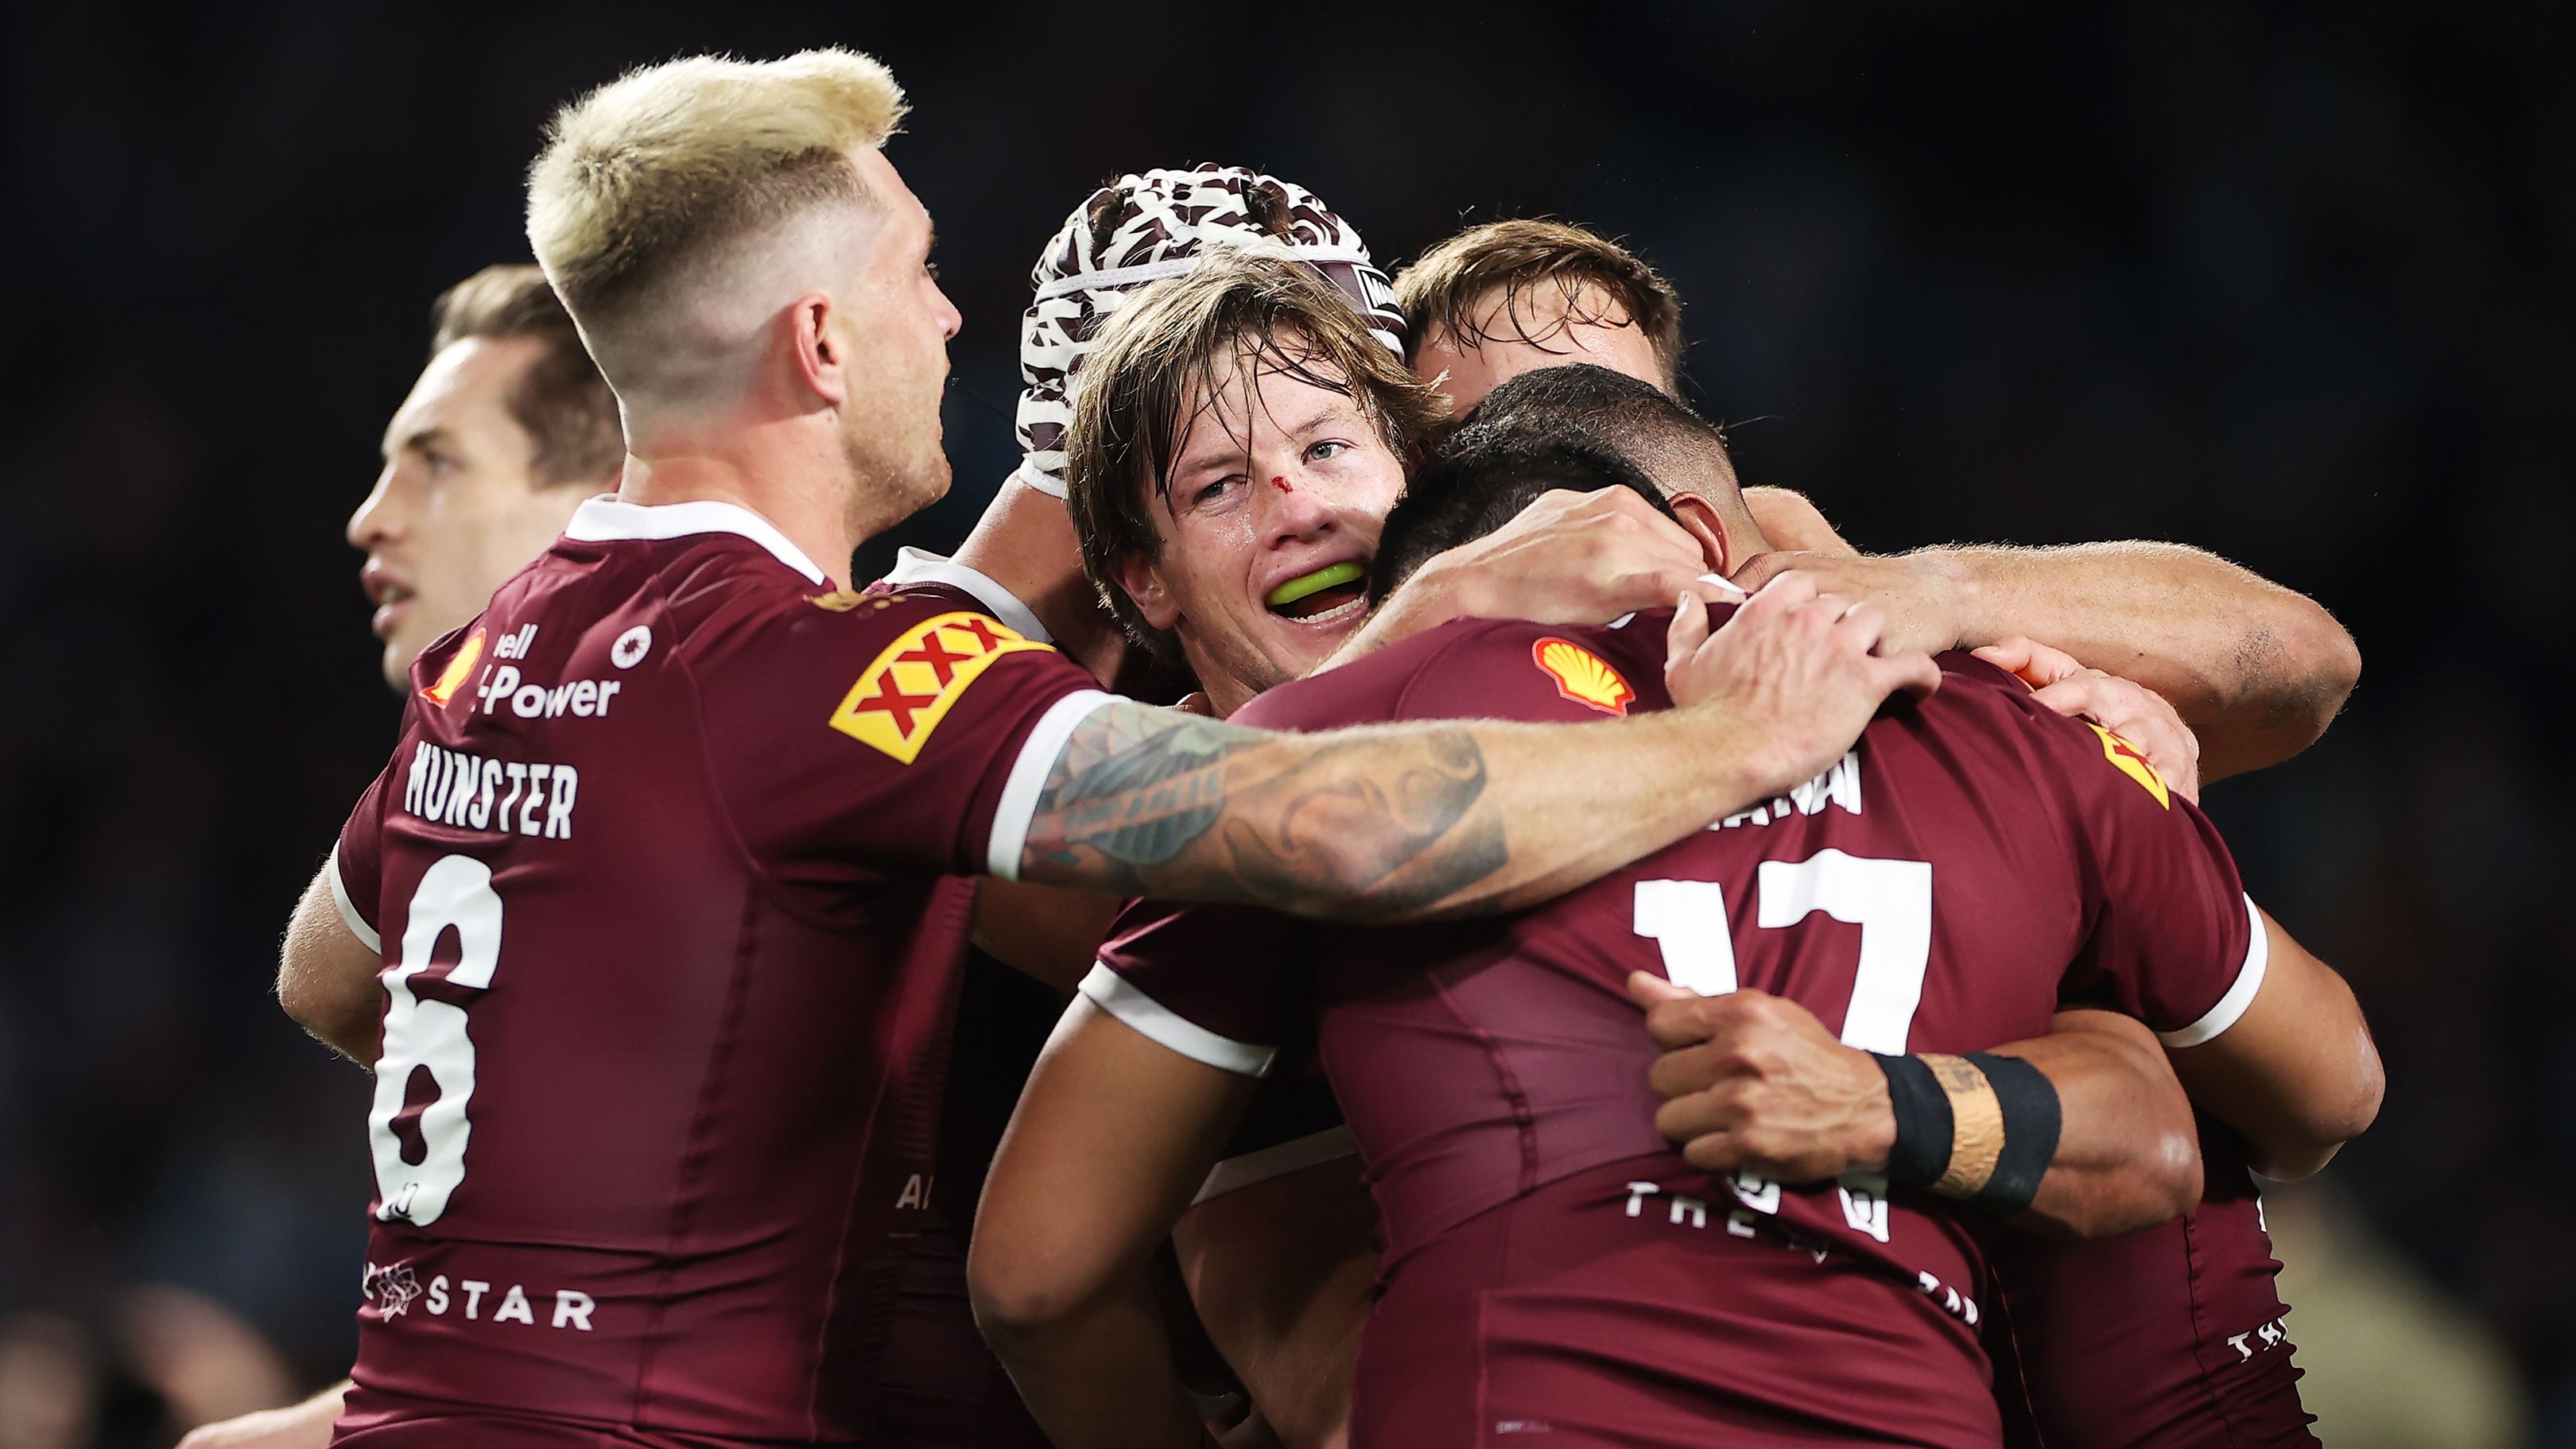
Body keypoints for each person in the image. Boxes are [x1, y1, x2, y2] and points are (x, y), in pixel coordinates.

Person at [280, 50, 1922, 1447]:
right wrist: (1739, 737)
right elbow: (1327, 825)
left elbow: (333, 978)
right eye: (914, 273)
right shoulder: (845, 677)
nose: (943, 314)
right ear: (821, 345)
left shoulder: (513, 644)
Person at [975, 287, 2381, 1441]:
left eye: (1332, 447)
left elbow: (1040, 1278)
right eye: (1222, 480)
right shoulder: (2011, 721)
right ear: (1141, 578)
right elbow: (2293, 1096)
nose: (1294, 501)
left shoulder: (1305, 768)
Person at [178, 264, 625, 1449]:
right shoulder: (472, 759)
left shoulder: (747, 733)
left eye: (436, 460)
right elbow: (315, 983)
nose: (369, 515)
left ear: (606, 497)